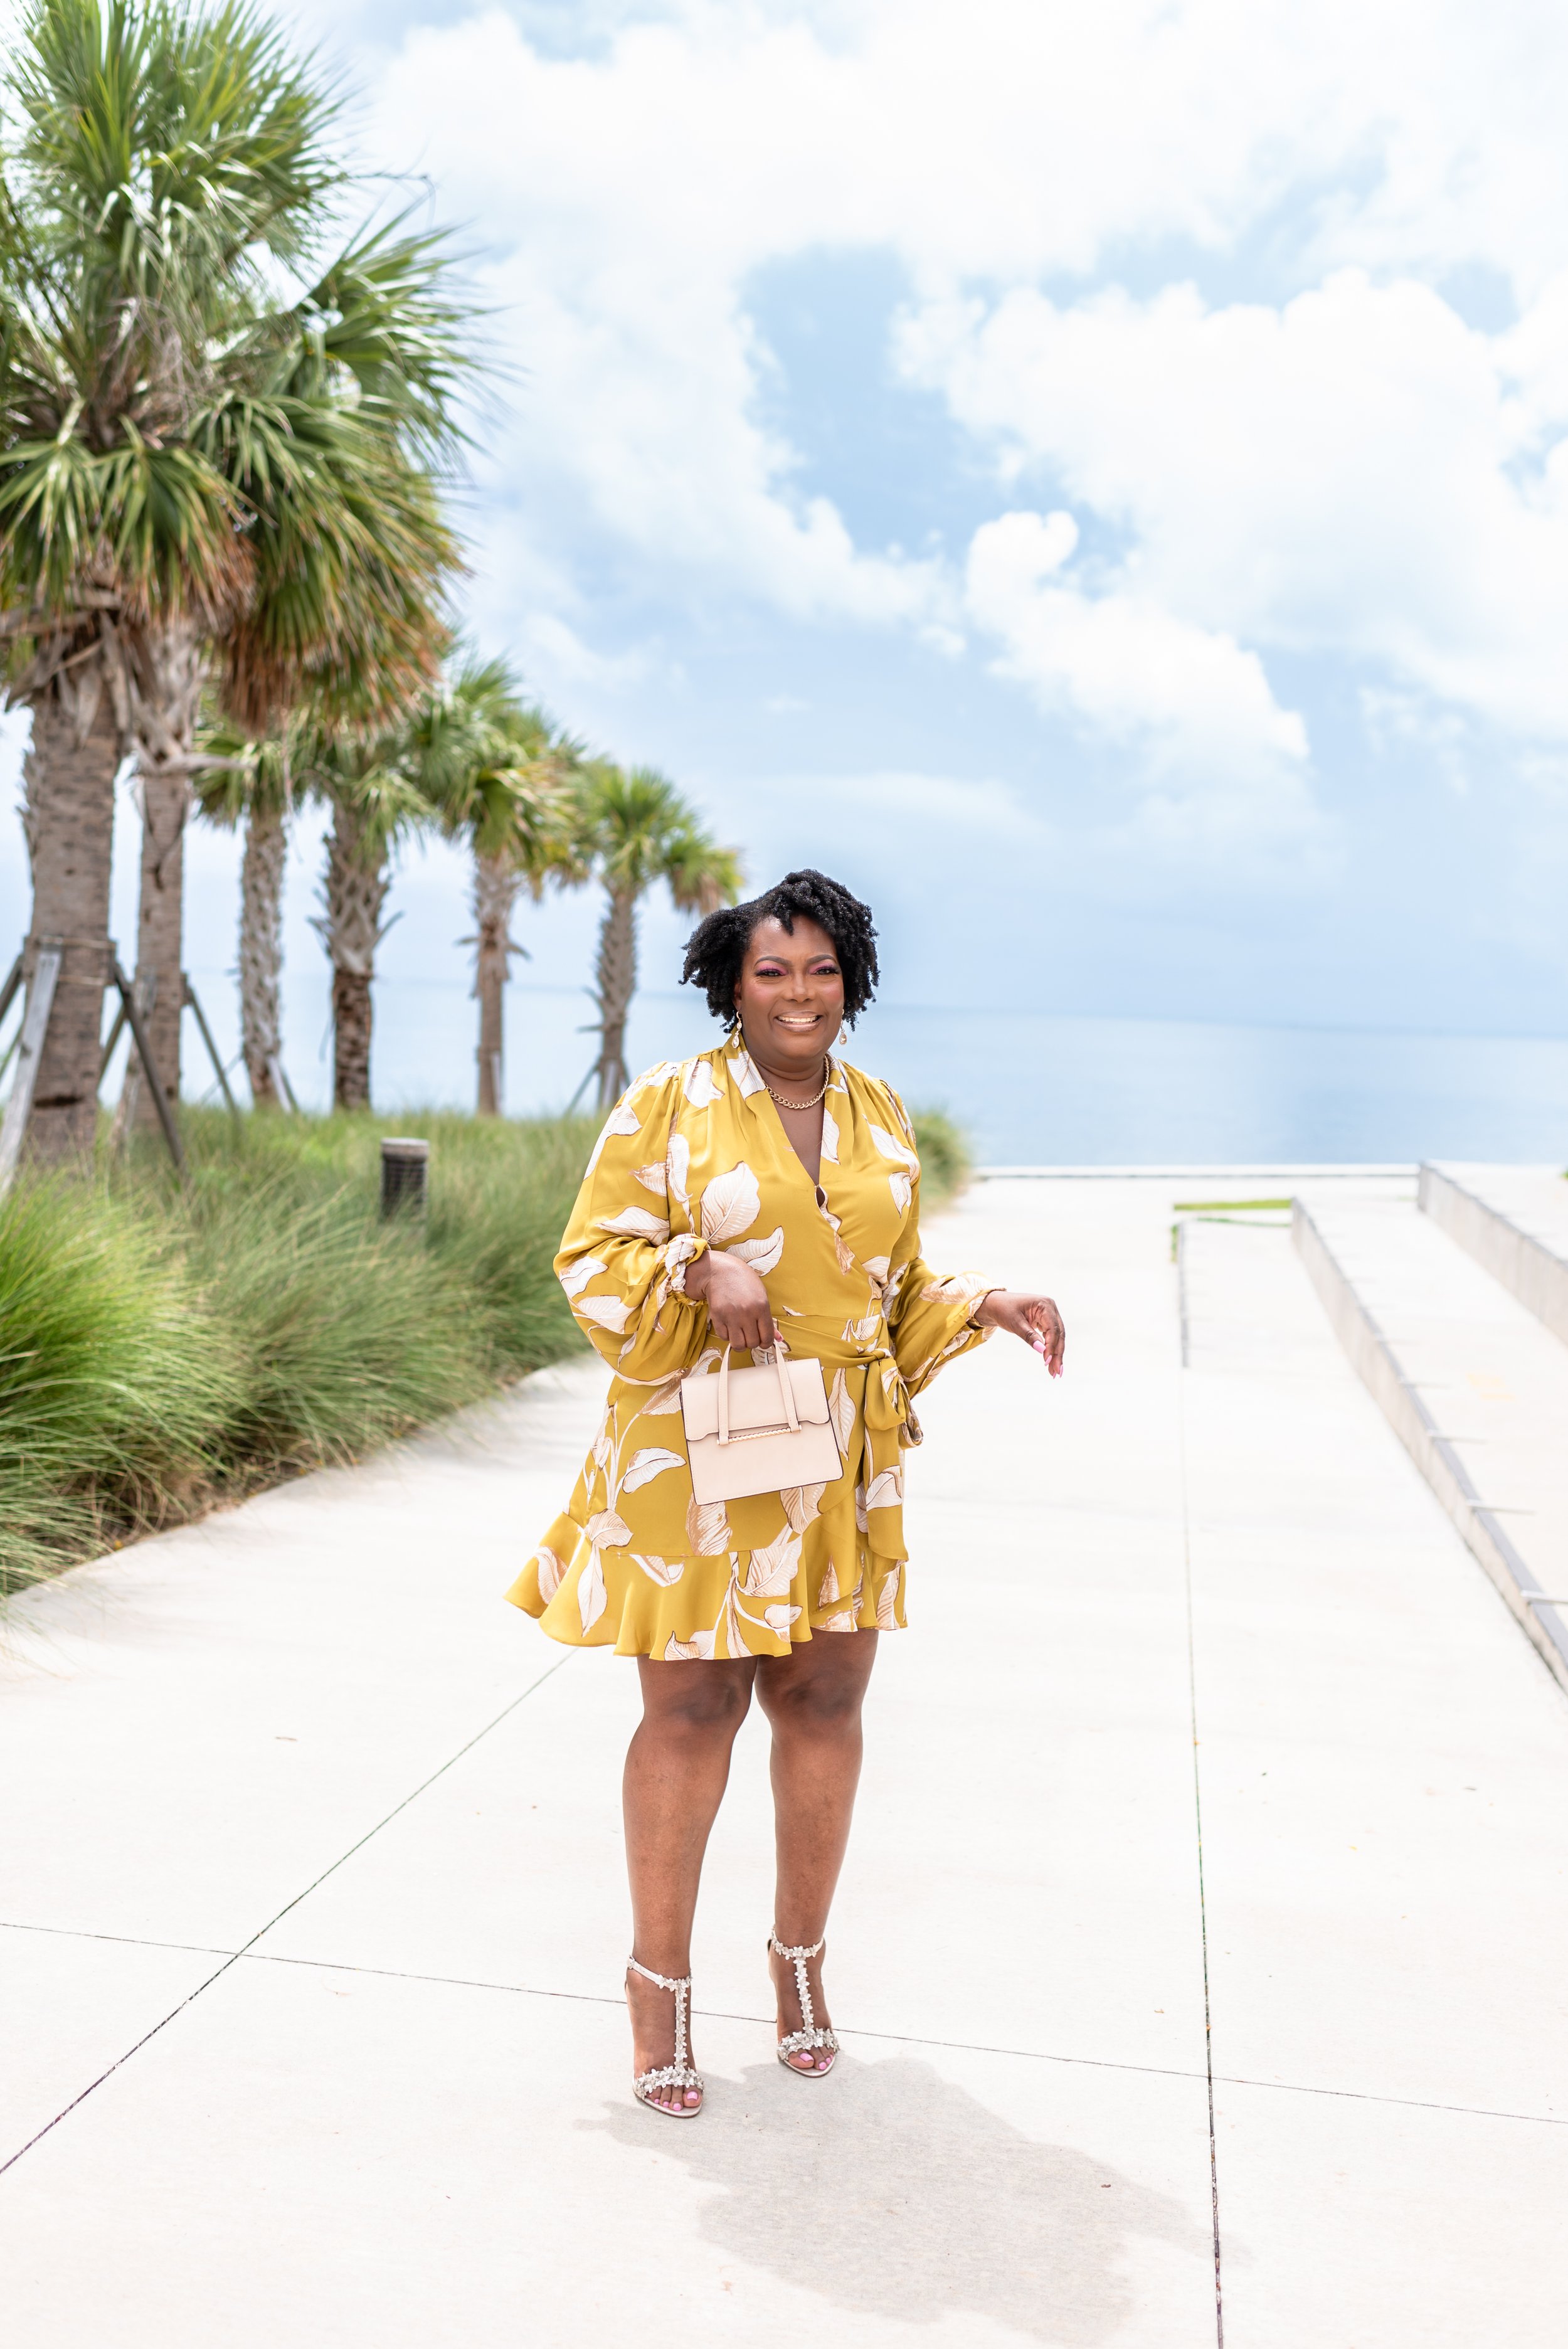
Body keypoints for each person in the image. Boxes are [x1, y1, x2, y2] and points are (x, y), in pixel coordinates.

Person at [506, 869, 1065, 2117]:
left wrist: (983, 1302)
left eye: (820, 970)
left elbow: (892, 1279)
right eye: (772, 971)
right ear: (731, 983)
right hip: (701, 1445)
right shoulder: (667, 1106)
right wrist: (699, 1268)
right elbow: (591, 1254)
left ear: (849, 981)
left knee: (823, 1698)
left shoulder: (878, 1111)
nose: (798, 993)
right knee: (694, 1706)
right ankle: (657, 1984)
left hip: (840, 1456)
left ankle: (800, 1966)